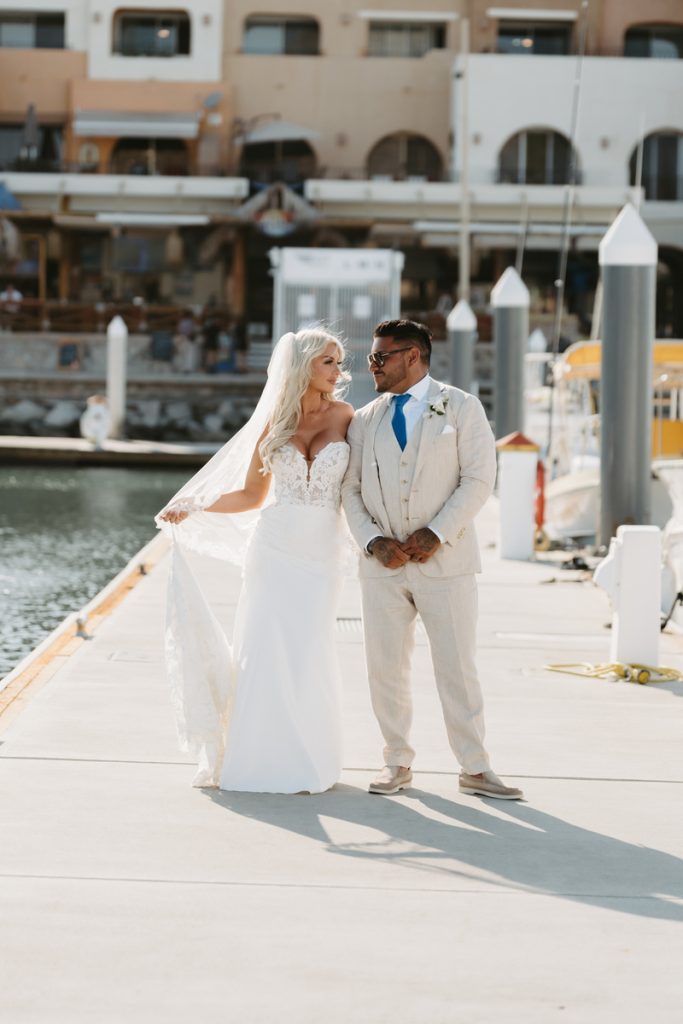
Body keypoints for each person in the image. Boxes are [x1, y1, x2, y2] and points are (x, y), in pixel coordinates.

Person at [157, 328, 354, 792]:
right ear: (305, 364)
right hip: (274, 551)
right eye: (329, 360)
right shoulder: (273, 424)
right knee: (266, 651)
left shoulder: (349, 417)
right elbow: (251, 494)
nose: (338, 370)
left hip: (322, 553)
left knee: (309, 651)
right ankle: (258, 759)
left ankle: (311, 757)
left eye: (339, 361)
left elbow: (360, 488)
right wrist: (196, 504)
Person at [341, 319, 523, 801]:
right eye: (372, 358)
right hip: (382, 567)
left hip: (448, 564)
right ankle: (395, 761)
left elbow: (480, 479)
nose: (372, 366)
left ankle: (475, 768)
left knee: (458, 667)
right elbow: (351, 489)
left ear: (413, 357)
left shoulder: (461, 407)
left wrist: (437, 532)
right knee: (384, 667)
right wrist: (373, 541)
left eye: (381, 357)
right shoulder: (364, 419)